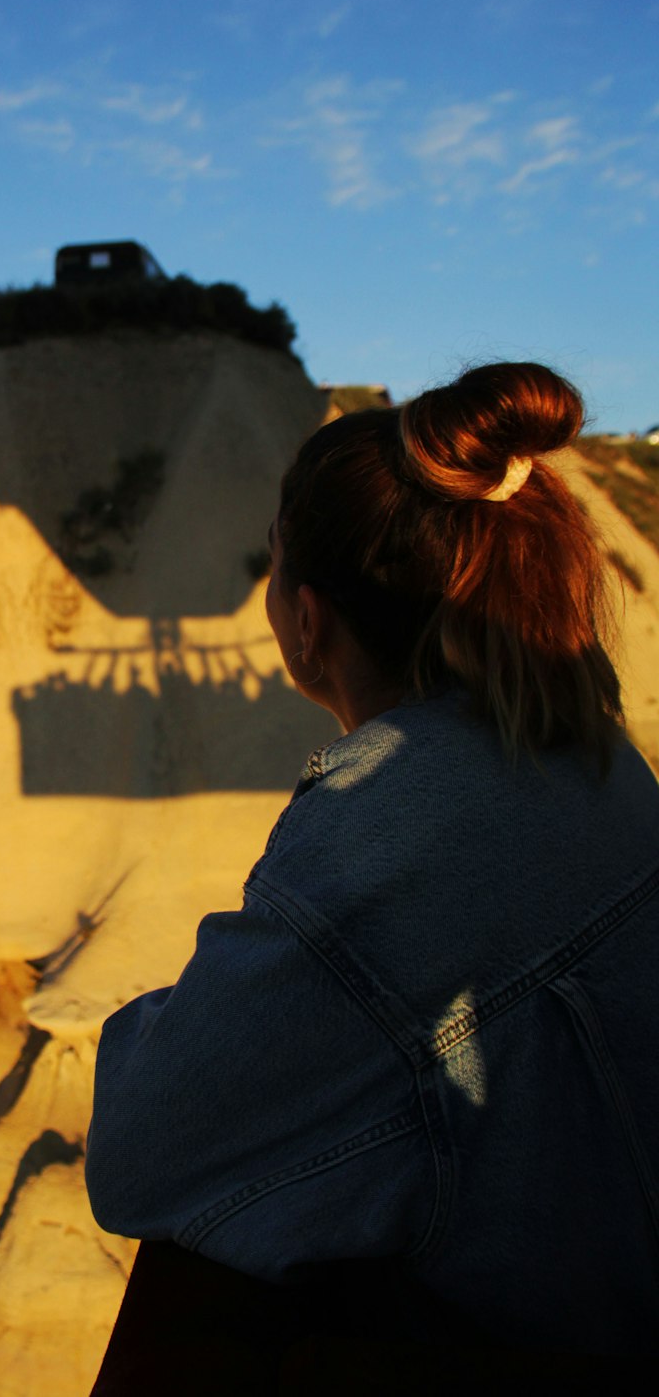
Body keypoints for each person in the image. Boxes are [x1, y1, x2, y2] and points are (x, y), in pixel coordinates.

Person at [85, 362, 659, 1388]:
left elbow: (142, 1153)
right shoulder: (597, 759)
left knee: (200, 1273)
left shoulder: (378, 836)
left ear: (307, 620)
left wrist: (146, 1027)